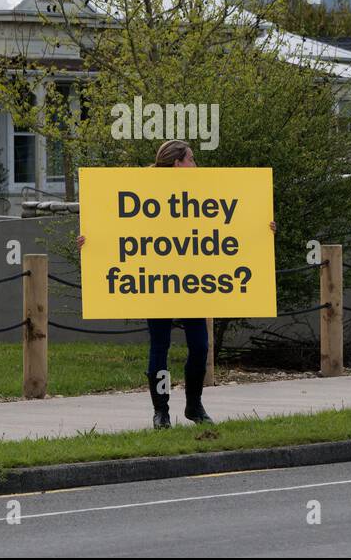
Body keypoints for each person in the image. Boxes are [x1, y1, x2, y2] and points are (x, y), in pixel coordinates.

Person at [77, 139, 276, 429]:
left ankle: (194, 406)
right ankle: (161, 412)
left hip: (192, 282)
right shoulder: (143, 190)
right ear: (177, 163)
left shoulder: (204, 191)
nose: (196, 165)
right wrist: (89, 241)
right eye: (192, 159)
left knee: (200, 346)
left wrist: (262, 227)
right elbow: (121, 229)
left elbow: (226, 224)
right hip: (156, 282)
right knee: (160, 346)